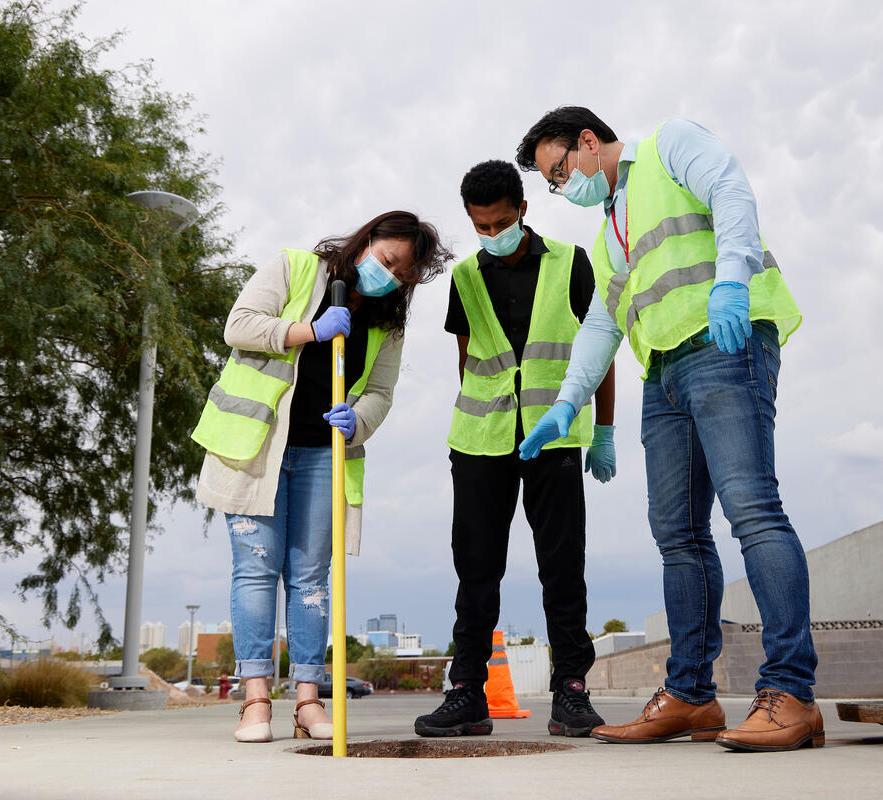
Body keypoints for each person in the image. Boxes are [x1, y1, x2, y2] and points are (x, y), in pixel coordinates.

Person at [514, 108, 822, 752]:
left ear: (589, 143)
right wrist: (568, 405)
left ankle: (791, 693)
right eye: (550, 181)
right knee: (676, 533)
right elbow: (601, 324)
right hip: (664, 371)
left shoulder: (668, 145)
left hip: (724, 342)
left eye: (559, 170)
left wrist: (732, 281)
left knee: (753, 511)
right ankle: (690, 695)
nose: (560, 186)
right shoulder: (609, 235)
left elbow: (731, 190)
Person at [192, 211, 452, 743]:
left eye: (404, 275)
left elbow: (380, 393)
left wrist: (357, 421)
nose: (392, 276)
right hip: (257, 449)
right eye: (387, 261)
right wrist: (307, 330)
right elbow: (238, 325)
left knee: (310, 580)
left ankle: (308, 701)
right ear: (366, 241)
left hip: (322, 455)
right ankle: (256, 701)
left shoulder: (386, 323)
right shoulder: (294, 269)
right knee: (256, 569)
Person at [414, 160, 615, 739]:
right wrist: (482, 427)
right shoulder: (466, 277)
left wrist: (603, 431)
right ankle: (467, 692)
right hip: (480, 442)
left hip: (551, 439)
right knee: (475, 569)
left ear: (523, 210)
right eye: (480, 226)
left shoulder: (570, 262)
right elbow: (466, 358)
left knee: (562, 566)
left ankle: (571, 691)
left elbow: (596, 352)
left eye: (500, 222)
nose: (490, 235)